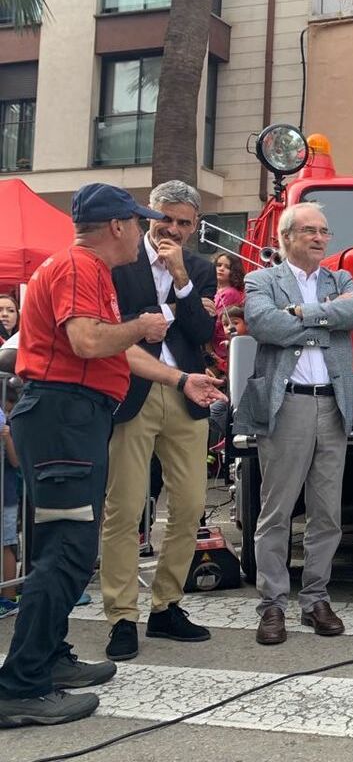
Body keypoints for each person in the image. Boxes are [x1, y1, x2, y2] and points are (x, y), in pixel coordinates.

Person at [0, 183, 224, 729]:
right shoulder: (81, 268)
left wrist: (177, 375)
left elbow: (113, 346)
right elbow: (88, 340)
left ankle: (49, 660)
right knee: (69, 550)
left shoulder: (84, 268)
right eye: (142, 220)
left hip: (71, 416)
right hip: (64, 417)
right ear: (119, 226)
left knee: (63, 543)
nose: (155, 231)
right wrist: (143, 326)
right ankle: (20, 684)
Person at [235, 202, 353, 645]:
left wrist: (300, 315)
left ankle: (315, 599)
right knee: (276, 511)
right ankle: (272, 605)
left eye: (324, 231)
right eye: (309, 230)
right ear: (285, 236)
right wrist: (324, 318)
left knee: (327, 512)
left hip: (334, 405)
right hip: (286, 404)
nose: (319, 238)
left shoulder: (341, 280)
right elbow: (265, 325)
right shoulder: (260, 280)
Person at [100, 180, 218, 662]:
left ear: (194, 226)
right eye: (165, 218)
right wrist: (171, 307)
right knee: (125, 508)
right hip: (132, 390)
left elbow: (204, 332)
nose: (173, 229)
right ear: (150, 216)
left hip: (188, 391)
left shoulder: (201, 268)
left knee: (190, 505)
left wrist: (183, 282)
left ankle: (166, 605)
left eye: (184, 222)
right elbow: (118, 322)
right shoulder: (120, 260)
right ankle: (121, 615)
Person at [0, 380, 22, 618]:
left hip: (6, 494)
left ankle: (8, 596)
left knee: (6, 543)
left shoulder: (11, 423)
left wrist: (6, 437)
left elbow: (16, 462)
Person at [211, 252, 246, 371]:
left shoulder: (230, 293)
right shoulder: (214, 289)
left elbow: (217, 321)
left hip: (220, 348)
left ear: (234, 272)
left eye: (227, 267)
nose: (221, 269)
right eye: (219, 265)